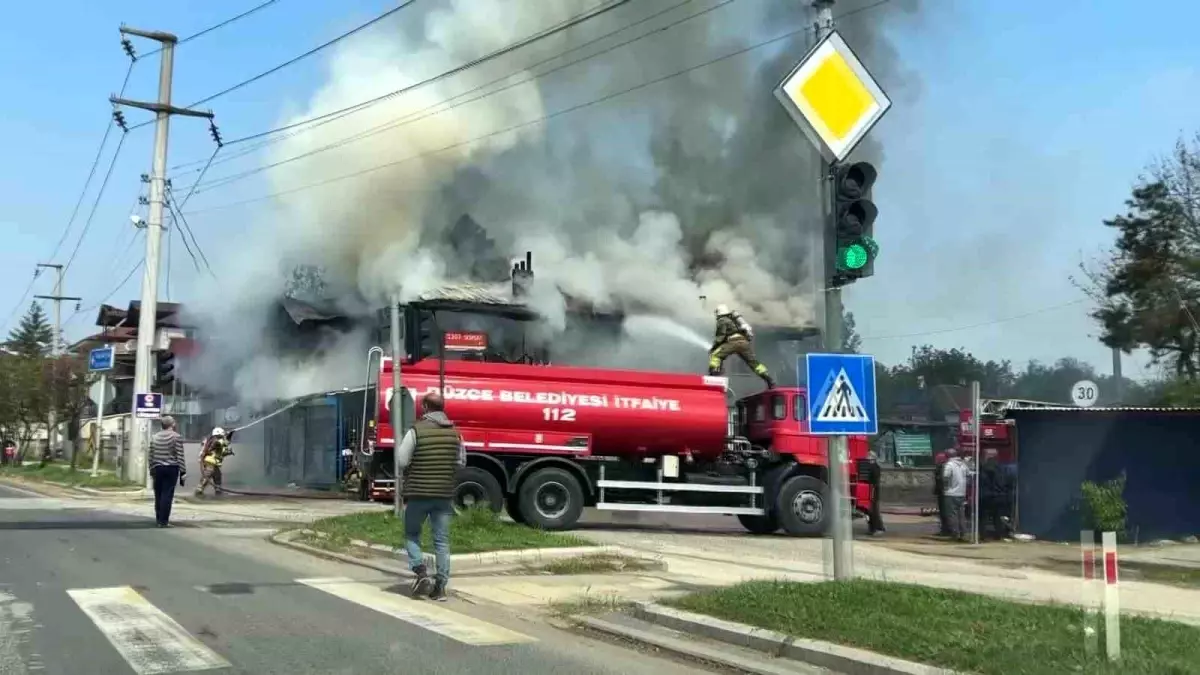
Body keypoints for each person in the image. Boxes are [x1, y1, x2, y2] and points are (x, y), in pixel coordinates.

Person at [396, 392, 465, 602]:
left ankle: (420, 572)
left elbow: (401, 461)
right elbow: (461, 462)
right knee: (441, 541)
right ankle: (440, 588)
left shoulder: (416, 430)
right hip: (443, 494)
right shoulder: (455, 433)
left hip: (418, 493)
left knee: (411, 534)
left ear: (425, 407)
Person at [708, 304, 775, 388]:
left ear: (718, 313)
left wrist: (714, 347)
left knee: (715, 355)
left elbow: (720, 336)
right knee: (753, 363)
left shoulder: (722, 320)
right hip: (744, 343)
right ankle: (769, 380)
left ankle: (714, 376)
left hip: (733, 342)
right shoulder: (734, 320)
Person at [148, 416, 186, 528]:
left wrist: (151, 468)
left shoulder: (154, 437)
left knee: (158, 494)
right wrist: (183, 471)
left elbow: (150, 455)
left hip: (157, 468)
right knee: (167, 494)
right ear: (172, 424)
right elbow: (180, 455)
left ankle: (158, 519)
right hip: (171, 468)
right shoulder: (176, 437)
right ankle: (163, 521)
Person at [979, 448, 1012, 540]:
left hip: (986, 496)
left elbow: (981, 481)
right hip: (998, 496)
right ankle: (999, 534)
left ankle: (983, 535)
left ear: (987, 456)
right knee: (997, 517)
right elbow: (1005, 482)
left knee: (983, 517)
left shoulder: (983, 468)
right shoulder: (1001, 468)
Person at [195, 427, 234, 497]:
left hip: (214, 463)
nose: (223, 436)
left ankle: (218, 490)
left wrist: (229, 436)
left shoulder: (215, 441)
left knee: (218, 477)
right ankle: (199, 490)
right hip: (210, 462)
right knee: (206, 477)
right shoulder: (216, 441)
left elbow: (221, 451)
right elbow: (223, 443)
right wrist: (229, 436)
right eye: (222, 435)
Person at [941, 448, 968, 541]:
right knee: (961, 515)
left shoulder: (949, 464)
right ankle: (963, 533)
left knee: (952, 515)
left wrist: (945, 487)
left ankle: (955, 534)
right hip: (962, 493)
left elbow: (945, 477)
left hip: (951, 493)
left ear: (947, 456)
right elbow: (968, 475)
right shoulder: (963, 464)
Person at [863, 451, 885, 535]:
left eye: (868, 456)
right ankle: (874, 528)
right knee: (872, 510)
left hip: (873, 490)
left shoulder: (874, 467)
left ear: (872, 457)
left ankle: (877, 528)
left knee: (873, 510)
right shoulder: (875, 467)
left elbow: (873, 480)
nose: (867, 458)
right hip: (873, 490)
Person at [932, 450, 949, 536]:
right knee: (943, 512)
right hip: (942, 492)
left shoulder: (942, 468)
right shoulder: (943, 467)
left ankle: (946, 530)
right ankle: (944, 529)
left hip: (943, 493)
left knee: (944, 512)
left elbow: (942, 480)